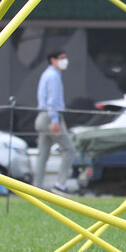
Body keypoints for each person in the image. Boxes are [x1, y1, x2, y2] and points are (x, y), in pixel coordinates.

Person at [34, 50, 77, 195]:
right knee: (70, 149)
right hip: (49, 118)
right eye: (61, 58)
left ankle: (36, 187)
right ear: (52, 60)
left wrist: (60, 119)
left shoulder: (48, 74)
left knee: (43, 154)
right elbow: (52, 101)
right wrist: (55, 120)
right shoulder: (53, 76)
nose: (65, 61)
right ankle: (60, 185)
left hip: (43, 117)